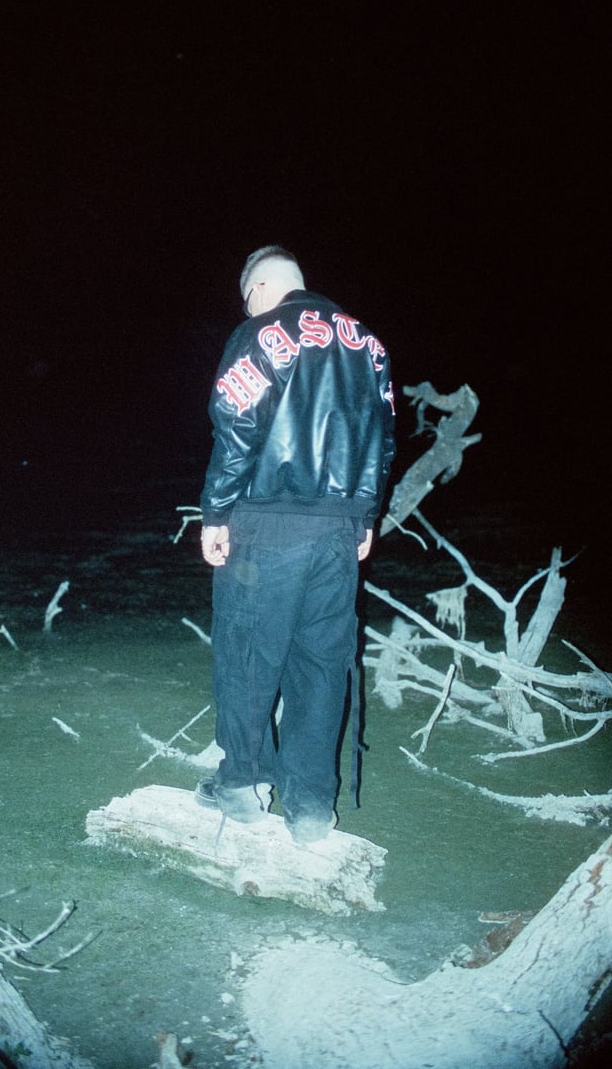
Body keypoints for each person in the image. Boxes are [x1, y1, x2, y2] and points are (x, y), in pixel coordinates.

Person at [197, 246, 395, 844]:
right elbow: (383, 436)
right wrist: (364, 516)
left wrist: (216, 512)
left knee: (247, 655)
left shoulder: (259, 334)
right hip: (337, 534)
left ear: (258, 290)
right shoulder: (368, 344)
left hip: (267, 525)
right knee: (321, 666)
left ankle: (242, 784)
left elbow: (236, 425)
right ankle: (310, 807)